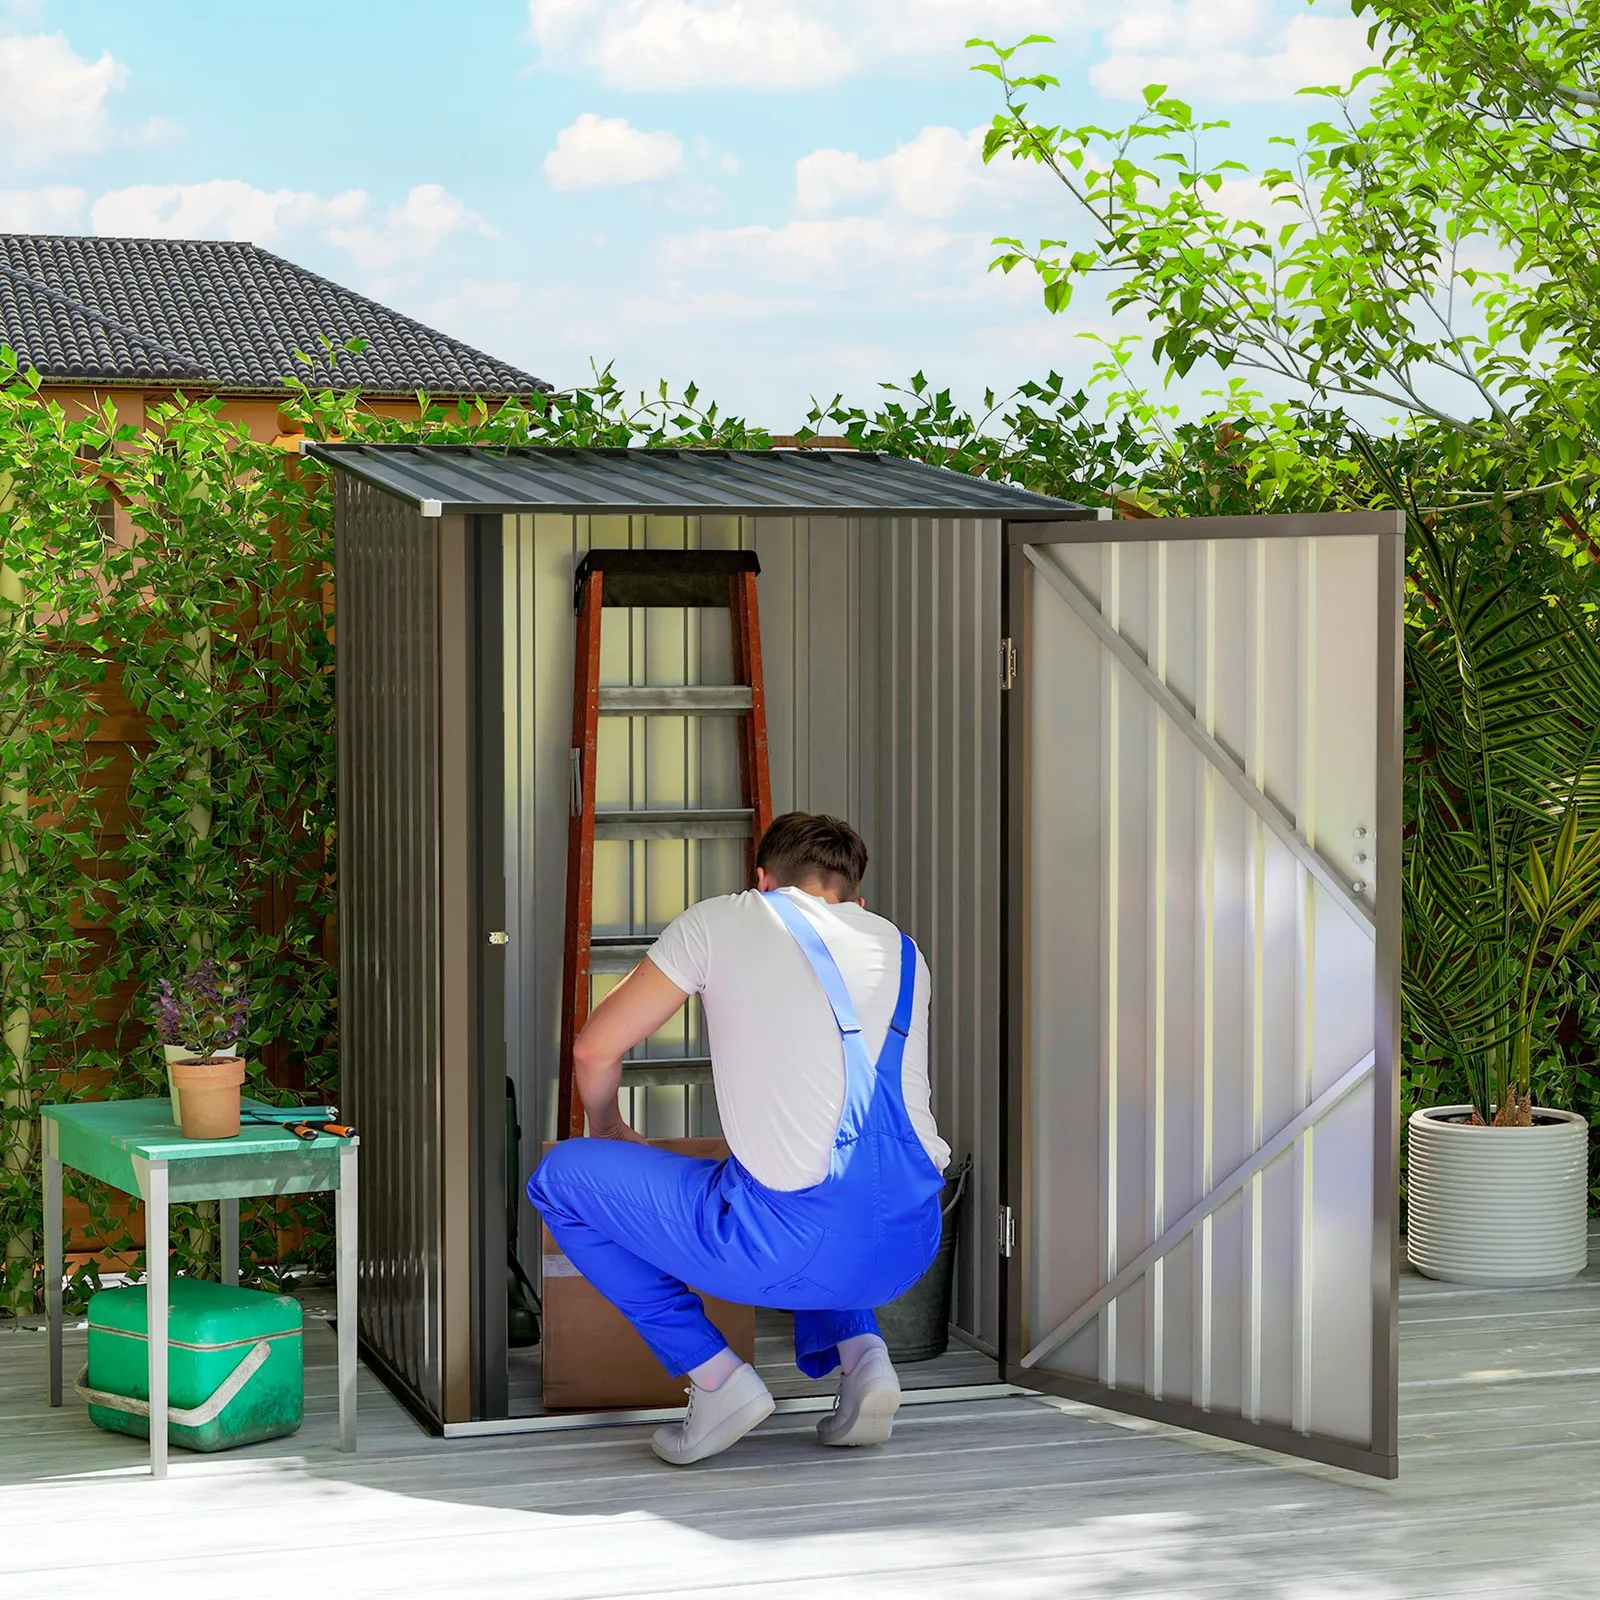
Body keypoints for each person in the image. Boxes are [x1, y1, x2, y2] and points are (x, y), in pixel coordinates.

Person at [527, 811, 950, 1466]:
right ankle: (865, 1359)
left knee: (559, 1183)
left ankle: (717, 1378)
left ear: (762, 881)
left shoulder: (723, 919)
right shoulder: (903, 950)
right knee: (811, 1179)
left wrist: (609, 1129)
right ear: (856, 902)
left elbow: (592, 1050)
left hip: (786, 1245)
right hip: (911, 1241)